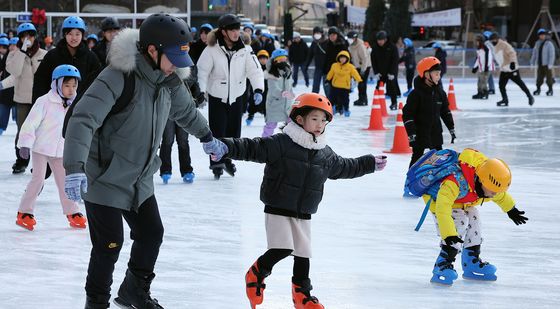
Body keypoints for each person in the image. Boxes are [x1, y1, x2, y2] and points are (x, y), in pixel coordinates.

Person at [62, 14, 227, 308]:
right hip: (102, 175)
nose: (177, 65)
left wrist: (206, 136)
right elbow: (83, 119)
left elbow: (186, 113)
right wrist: (74, 169)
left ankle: (134, 291)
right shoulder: (118, 76)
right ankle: (96, 302)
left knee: (151, 234)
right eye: (173, 57)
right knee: (109, 244)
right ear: (152, 50)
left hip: (138, 177)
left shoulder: (169, 81)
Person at [216, 93, 387, 309]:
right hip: (278, 206)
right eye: (314, 119)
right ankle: (256, 274)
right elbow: (252, 147)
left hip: (304, 211)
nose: (319, 124)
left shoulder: (324, 154)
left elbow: (345, 166)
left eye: (323, 120)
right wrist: (226, 146)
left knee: (303, 254)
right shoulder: (281, 143)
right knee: (282, 248)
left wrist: (368, 163)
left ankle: (302, 295)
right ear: (299, 119)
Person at [424, 148, 528, 285]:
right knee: (459, 223)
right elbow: (442, 208)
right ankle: (442, 264)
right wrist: (448, 233)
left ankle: (471, 261)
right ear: (481, 181)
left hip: (462, 202)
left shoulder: (485, 182)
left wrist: (511, 209)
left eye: (497, 192)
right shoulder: (455, 182)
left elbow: (500, 195)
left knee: (474, 217)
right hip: (439, 203)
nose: (495, 195)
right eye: (492, 191)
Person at [15, 65, 86, 231]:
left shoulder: (76, 104)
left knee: (65, 182)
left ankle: (72, 212)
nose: (71, 89)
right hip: (41, 148)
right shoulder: (44, 102)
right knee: (38, 179)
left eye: (74, 86)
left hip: (61, 150)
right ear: (57, 84)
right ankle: (24, 213)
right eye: (67, 85)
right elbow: (30, 124)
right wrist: (25, 144)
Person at [197, 13, 264, 179]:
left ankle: (226, 159)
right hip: (217, 97)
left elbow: (255, 71)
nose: (236, 33)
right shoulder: (211, 49)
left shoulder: (246, 50)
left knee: (233, 134)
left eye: (237, 29)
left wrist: (258, 89)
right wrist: (201, 91)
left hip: (237, 97)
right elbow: (202, 72)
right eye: (232, 30)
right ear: (223, 31)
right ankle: (216, 163)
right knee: (217, 132)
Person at [5, 23, 47, 174]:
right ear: (20, 38)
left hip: (40, 100)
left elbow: (45, 75)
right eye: (24, 35)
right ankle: (21, 161)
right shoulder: (14, 54)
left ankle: (40, 164)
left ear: (35, 36)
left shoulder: (43, 54)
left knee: (41, 132)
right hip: (22, 100)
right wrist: (22, 51)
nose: (27, 38)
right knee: (23, 132)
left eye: (30, 35)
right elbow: (14, 72)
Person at [33, 16, 101, 105]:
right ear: (65, 34)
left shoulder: (91, 57)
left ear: (82, 35)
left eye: (77, 34)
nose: (74, 38)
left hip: (81, 106)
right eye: (70, 34)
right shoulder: (52, 55)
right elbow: (40, 81)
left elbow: (97, 83)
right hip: (54, 106)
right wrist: (40, 104)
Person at [403, 57, 455, 167]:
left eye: (439, 74)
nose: (439, 77)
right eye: (436, 74)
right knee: (417, 159)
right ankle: (411, 181)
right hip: (419, 134)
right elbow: (408, 115)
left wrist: (451, 127)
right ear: (426, 75)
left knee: (438, 160)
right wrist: (411, 133)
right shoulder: (416, 95)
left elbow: (445, 111)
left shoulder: (440, 93)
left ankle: (437, 182)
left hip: (435, 132)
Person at [489, 32, 534, 106]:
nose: (492, 42)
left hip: (511, 68)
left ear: (497, 39)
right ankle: (505, 100)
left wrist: (513, 62)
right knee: (501, 85)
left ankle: (530, 96)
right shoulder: (495, 47)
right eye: (491, 41)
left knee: (519, 83)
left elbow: (512, 53)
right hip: (504, 69)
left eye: (493, 40)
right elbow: (499, 58)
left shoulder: (504, 45)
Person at [262, 49, 294, 137]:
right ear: (275, 61)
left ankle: (290, 141)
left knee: (291, 124)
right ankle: (264, 142)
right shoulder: (272, 74)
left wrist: (291, 93)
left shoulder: (287, 72)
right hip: (274, 104)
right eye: (280, 59)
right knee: (271, 125)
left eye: (284, 59)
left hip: (287, 105)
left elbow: (290, 85)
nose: (282, 61)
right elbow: (273, 89)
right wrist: (281, 93)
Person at [326, 50, 362, 117]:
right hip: (335, 86)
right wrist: (327, 79)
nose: (342, 59)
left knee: (345, 99)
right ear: (338, 58)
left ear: (347, 59)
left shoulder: (350, 67)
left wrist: (359, 80)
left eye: (344, 58)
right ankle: (332, 109)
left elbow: (355, 74)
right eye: (341, 58)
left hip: (345, 87)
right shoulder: (334, 65)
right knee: (332, 98)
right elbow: (331, 73)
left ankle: (346, 109)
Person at [370, 30, 400, 110]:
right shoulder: (375, 48)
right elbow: (373, 61)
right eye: (378, 40)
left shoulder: (392, 47)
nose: (379, 42)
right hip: (380, 72)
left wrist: (392, 73)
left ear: (385, 39)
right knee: (378, 87)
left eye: (381, 40)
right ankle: (377, 103)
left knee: (392, 87)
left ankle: (394, 103)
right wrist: (376, 72)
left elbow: (395, 60)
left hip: (391, 72)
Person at [322, 27, 348, 98]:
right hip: (328, 70)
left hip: (339, 71)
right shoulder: (327, 45)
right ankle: (330, 105)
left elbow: (347, 58)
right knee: (327, 90)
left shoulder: (342, 45)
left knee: (338, 91)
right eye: (330, 35)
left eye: (334, 35)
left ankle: (339, 106)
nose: (332, 37)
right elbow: (325, 58)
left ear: (337, 35)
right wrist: (324, 70)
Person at [346, 30, 371, 105]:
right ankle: (361, 98)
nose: (350, 40)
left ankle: (363, 99)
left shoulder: (360, 46)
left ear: (355, 38)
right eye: (349, 38)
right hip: (357, 66)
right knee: (359, 83)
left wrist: (363, 70)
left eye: (351, 38)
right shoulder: (350, 46)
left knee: (362, 83)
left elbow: (365, 58)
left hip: (365, 66)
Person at [246, 49, 269, 126]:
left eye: (265, 58)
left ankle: (267, 119)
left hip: (266, 90)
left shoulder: (269, 68)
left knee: (267, 104)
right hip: (255, 90)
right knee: (253, 103)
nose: (263, 60)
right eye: (261, 58)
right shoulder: (255, 68)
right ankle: (250, 116)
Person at [531, 28, 556, 96]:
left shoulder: (549, 43)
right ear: (539, 35)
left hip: (547, 64)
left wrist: (550, 64)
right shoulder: (537, 43)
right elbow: (534, 53)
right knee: (539, 77)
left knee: (549, 78)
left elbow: (552, 54)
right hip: (540, 63)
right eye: (540, 35)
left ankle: (550, 89)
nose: (542, 36)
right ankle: (538, 89)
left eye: (543, 35)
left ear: (545, 35)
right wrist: (532, 62)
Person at [0, 37, 15, 135]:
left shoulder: (23, 56)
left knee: (19, 118)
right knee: (2, 115)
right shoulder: (6, 57)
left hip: (18, 93)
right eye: (11, 45)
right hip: (4, 91)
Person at [471, 34, 494, 99]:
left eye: (477, 41)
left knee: (483, 81)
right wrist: (475, 67)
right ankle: (480, 93)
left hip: (486, 68)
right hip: (481, 68)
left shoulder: (486, 49)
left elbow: (489, 58)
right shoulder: (479, 49)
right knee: (480, 81)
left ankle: (485, 92)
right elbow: (478, 59)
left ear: (480, 41)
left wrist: (487, 67)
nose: (476, 43)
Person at [307, 26, 327, 94]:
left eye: (318, 33)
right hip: (318, 67)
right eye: (315, 33)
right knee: (315, 86)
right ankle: (314, 100)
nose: (317, 34)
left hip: (327, 68)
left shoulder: (327, 42)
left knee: (327, 86)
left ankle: (330, 101)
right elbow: (310, 55)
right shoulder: (314, 43)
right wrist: (306, 65)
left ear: (322, 33)